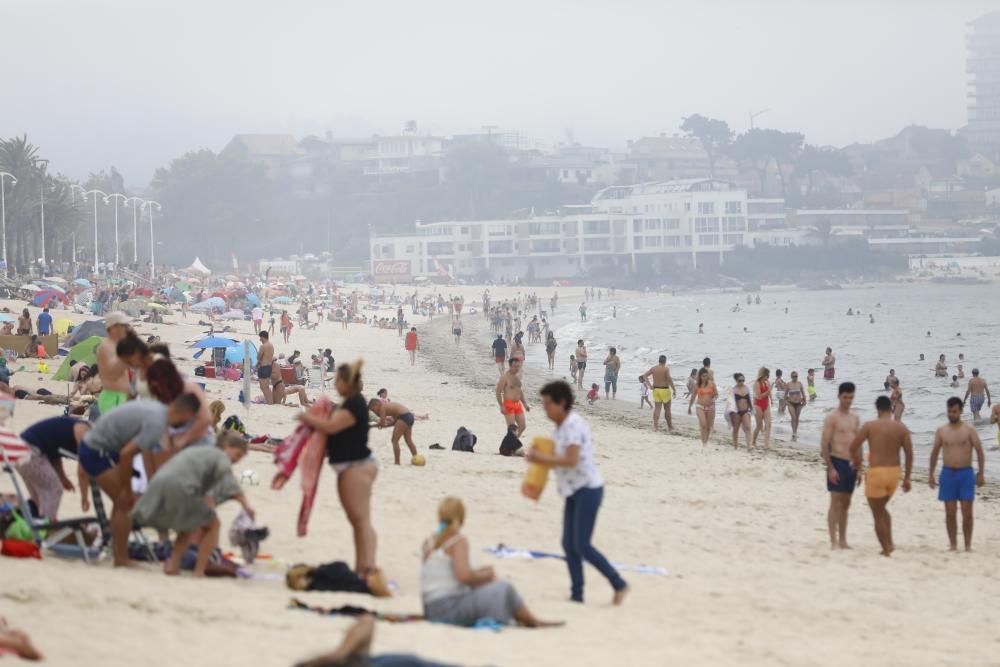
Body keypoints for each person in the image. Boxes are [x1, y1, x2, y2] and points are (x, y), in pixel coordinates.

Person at [530, 381, 628, 605]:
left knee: (582, 544)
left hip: (588, 489)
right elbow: (557, 460)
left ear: (561, 402)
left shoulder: (573, 425)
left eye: (547, 405)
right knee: (568, 544)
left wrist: (541, 458)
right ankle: (577, 594)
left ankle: (618, 583)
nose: (544, 410)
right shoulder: (560, 428)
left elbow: (571, 460)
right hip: (573, 489)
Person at [78, 393, 204, 566]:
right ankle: (121, 559)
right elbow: (127, 454)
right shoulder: (158, 423)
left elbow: (143, 453)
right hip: (97, 450)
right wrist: (128, 489)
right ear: (188, 414)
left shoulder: (157, 410)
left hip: (97, 445)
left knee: (122, 503)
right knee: (126, 503)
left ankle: (118, 554)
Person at [292, 361, 378, 574]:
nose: (335, 383)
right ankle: (363, 568)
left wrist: (305, 417)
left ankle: (366, 567)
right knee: (358, 520)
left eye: (338, 379)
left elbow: (331, 427)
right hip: (352, 466)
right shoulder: (351, 402)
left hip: (356, 466)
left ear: (347, 382)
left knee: (361, 520)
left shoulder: (355, 403)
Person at [421, 498, 561, 628]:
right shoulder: (457, 541)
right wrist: (485, 576)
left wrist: (479, 573)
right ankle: (532, 621)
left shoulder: (429, 541)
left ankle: (525, 619)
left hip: (430, 608)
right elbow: (463, 576)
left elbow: (445, 575)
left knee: (492, 587)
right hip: (449, 608)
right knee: (505, 588)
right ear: (462, 518)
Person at [131, 432, 255, 576]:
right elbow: (228, 479)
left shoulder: (202, 450)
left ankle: (173, 565)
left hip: (161, 483)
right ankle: (199, 571)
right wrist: (246, 505)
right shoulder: (220, 456)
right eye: (238, 454)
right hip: (179, 486)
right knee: (213, 525)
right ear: (227, 446)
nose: (237, 460)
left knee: (189, 525)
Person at [849, 396, 913, 556]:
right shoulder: (901, 428)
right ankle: (890, 542)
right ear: (891, 409)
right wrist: (907, 478)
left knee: (877, 513)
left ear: (877, 409)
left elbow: (853, 447)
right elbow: (909, 454)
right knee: (882, 508)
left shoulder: (870, 426)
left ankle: (886, 549)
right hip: (894, 474)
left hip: (877, 472)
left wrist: (857, 466)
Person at [928, 397, 985, 552]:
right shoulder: (942, 431)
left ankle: (967, 545)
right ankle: (953, 544)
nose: (951, 414)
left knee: (967, 512)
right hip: (947, 474)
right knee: (950, 512)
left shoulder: (969, 430)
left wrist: (981, 473)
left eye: (954, 411)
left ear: (960, 411)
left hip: (966, 474)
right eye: (949, 411)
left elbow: (979, 451)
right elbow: (934, 453)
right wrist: (931, 474)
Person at [15, 416, 91, 520]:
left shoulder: (80, 428)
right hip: (30, 451)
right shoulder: (84, 430)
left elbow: (54, 452)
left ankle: (28, 526)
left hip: (19, 451)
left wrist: (62, 476)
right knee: (53, 489)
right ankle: (46, 528)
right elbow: (83, 471)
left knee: (39, 499)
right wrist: (84, 497)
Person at [820, 383, 860, 550]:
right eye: (845, 397)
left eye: (850, 397)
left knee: (846, 503)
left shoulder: (855, 418)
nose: (848, 400)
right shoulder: (832, 417)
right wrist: (830, 467)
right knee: (835, 502)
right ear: (839, 397)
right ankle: (833, 541)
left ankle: (843, 540)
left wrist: (859, 468)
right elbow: (825, 444)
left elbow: (857, 443)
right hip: (837, 461)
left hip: (851, 464)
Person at [96, 312, 132, 415]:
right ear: (113, 327)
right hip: (112, 397)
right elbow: (113, 374)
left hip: (122, 396)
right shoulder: (105, 347)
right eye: (124, 325)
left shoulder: (119, 346)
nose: (127, 328)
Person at [369, 398, 419, 465]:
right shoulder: (388, 406)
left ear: (377, 404)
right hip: (409, 416)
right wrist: (383, 426)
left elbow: (381, 423)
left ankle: (397, 462)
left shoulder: (382, 407)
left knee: (394, 441)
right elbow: (393, 423)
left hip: (403, 417)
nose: (374, 412)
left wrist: (371, 426)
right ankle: (416, 459)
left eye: (373, 409)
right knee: (408, 440)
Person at [642, 355, 677, 432]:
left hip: (656, 390)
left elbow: (644, 375)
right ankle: (670, 427)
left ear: (659, 361)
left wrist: (650, 385)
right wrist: (674, 389)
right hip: (665, 390)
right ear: (665, 361)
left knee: (657, 409)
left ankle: (655, 427)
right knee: (667, 409)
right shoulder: (666, 369)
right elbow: (669, 379)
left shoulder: (654, 368)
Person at [496, 358, 529, 437]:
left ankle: (514, 441)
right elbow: (498, 391)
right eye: (514, 366)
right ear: (510, 366)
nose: (517, 368)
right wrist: (501, 406)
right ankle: (511, 445)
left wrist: (524, 403)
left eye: (518, 366)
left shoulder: (517, 377)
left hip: (518, 404)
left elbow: (519, 391)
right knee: (512, 428)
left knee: (522, 426)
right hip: (508, 404)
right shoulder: (505, 377)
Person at [689, 368, 718, 446]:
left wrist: (714, 399)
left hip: (710, 407)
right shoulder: (697, 385)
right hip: (700, 406)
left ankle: (705, 442)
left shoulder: (712, 384)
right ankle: (703, 442)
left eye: (706, 376)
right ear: (700, 377)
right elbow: (693, 396)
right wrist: (689, 407)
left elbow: (716, 395)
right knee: (703, 424)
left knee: (708, 427)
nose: (705, 377)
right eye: (703, 376)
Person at [729, 373, 753, 449]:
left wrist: (751, 409)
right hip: (737, 412)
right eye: (740, 380)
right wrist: (731, 414)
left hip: (745, 411)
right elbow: (730, 403)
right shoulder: (733, 390)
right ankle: (735, 445)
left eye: (743, 380)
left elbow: (749, 399)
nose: (742, 382)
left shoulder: (746, 388)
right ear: (736, 380)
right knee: (736, 428)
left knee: (748, 427)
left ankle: (749, 446)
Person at [751, 367, 772, 449]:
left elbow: (768, 393)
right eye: (767, 374)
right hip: (757, 405)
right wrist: (769, 391)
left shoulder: (767, 382)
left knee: (768, 424)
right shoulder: (756, 384)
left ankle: (766, 445)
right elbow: (759, 397)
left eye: (768, 374)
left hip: (766, 404)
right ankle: (753, 442)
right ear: (763, 375)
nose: (768, 376)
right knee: (759, 426)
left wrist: (771, 397)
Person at [785, 370, 807, 440]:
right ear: (791, 377)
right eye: (794, 376)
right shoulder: (788, 384)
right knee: (793, 417)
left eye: (796, 376)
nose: (795, 378)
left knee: (797, 418)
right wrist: (786, 402)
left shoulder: (799, 384)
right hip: (790, 403)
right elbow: (785, 395)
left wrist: (805, 400)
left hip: (799, 403)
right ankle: (794, 433)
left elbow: (803, 393)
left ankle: (795, 432)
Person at [256, 330, 275, 404]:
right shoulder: (271, 345)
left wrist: (258, 355)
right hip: (269, 367)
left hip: (263, 367)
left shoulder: (263, 346)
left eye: (260, 338)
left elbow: (259, 357)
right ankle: (270, 401)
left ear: (263, 337)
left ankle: (269, 402)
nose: (260, 339)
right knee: (266, 386)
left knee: (263, 386)